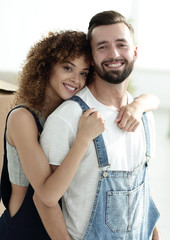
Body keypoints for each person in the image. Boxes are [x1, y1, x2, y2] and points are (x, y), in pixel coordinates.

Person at [0, 29, 159, 240]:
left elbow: (152, 99)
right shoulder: (23, 117)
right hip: (24, 229)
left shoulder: (67, 112)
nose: (75, 79)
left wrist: (138, 105)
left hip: (57, 226)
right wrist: (83, 139)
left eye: (83, 73)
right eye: (68, 68)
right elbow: (46, 192)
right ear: (47, 67)